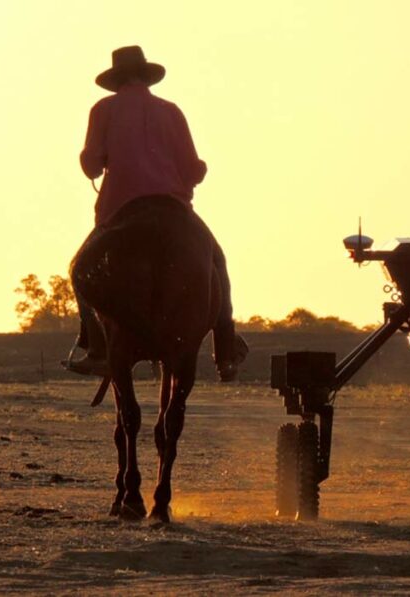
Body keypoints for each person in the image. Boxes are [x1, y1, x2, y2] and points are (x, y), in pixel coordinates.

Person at [65, 45, 245, 381]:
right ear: (146, 75)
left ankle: (97, 346)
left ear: (116, 79)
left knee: (79, 270)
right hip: (173, 209)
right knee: (217, 263)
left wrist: (97, 160)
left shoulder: (102, 109)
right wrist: (197, 170)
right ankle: (225, 349)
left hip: (121, 209)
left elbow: (91, 164)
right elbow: (192, 170)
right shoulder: (171, 111)